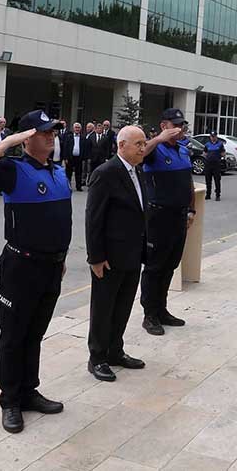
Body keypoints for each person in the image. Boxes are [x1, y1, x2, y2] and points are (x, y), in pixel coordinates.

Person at [0, 110, 71, 434]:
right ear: (26, 138)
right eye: (43, 132)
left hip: (51, 266)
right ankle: (10, 399)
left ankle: (28, 390)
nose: (51, 137)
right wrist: (7, 143)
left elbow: (58, 221)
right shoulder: (13, 169)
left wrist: (61, 257)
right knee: (13, 336)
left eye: (53, 132)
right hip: (20, 267)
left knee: (35, 333)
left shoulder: (58, 171)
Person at [85, 125, 149, 382]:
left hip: (132, 253)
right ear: (122, 146)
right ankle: (97, 357)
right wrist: (96, 257)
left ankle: (115, 350)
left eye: (144, 143)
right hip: (110, 257)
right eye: (139, 144)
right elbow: (94, 219)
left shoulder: (137, 171)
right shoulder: (106, 173)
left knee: (122, 306)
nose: (144, 148)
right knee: (103, 308)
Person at [139, 108, 195, 335]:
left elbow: (188, 182)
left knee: (171, 264)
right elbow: (140, 154)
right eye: (176, 124)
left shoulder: (183, 150)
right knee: (154, 267)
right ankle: (149, 314)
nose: (180, 129)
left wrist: (192, 210)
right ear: (164, 126)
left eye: (182, 125)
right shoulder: (155, 149)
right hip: (158, 217)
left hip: (179, 217)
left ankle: (161, 309)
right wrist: (158, 139)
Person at [60, 122, 89, 192]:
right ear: (73, 129)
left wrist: (84, 158)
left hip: (79, 158)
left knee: (78, 173)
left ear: (80, 129)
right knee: (68, 173)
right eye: (76, 127)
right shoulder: (68, 137)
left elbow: (85, 148)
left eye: (78, 128)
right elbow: (65, 148)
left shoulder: (83, 138)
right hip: (70, 158)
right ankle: (68, 186)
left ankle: (78, 187)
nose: (77, 129)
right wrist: (65, 158)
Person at [203, 131, 225, 201]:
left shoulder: (220, 144)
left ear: (216, 136)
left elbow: (223, 153)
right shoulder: (207, 144)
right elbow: (204, 153)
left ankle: (217, 195)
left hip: (216, 165)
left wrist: (218, 156)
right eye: (212, 136)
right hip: (208, 164)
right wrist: (208, 156)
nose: (213, 138)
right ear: (210, 137)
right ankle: (208, 194)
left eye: (214, 136)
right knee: (208, 180)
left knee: (217, 180)